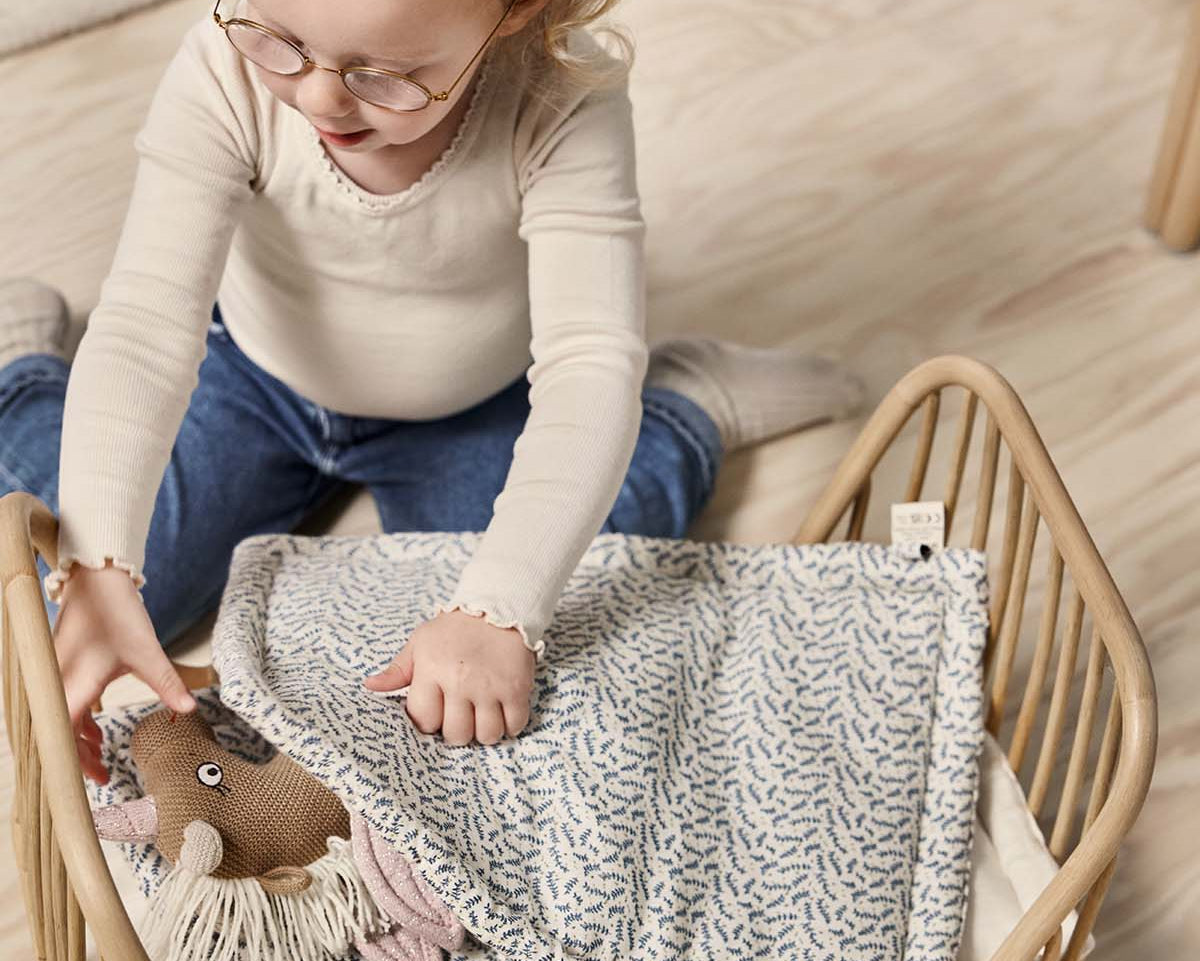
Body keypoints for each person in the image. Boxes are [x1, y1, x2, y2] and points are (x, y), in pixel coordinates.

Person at [0, 0, 866, 780]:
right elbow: (149, 328)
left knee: (516, 636)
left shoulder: (566, 96)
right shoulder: (222, 70)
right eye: (283, 41)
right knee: (70, 578)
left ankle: (684, 411)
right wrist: (100, 568)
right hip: (255, 380)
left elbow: (588, 368)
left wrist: (498, 611)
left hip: (469, 408)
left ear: (519, 13)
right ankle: (23, 370)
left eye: (387, 75)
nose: (320, 100)